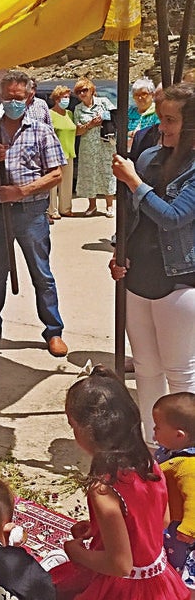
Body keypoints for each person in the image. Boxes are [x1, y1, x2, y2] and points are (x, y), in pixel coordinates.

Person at [50, 366, 190, 600]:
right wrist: (96, 528)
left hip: (125, 595)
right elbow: (160, 518)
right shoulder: (148, 462)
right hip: (158, 579)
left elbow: (120, 565)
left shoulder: (104, 490)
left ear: (90, 432)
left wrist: (76, 551)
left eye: (73, 426)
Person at [110, 83, 195, 442]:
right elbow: (133, 217)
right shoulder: (148, 159)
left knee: (180, 372)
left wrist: (134, 183)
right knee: (145, 368)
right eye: (161, 119)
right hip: (138, 275)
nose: (162, 128)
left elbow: (175, 216)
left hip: (178, 280)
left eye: (171, 120)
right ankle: (150, 441)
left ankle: (185, 445)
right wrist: (119, 251)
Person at [0, 70, 68, 358]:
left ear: (29, 97)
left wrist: (21, 191)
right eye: (8, 97)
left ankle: (53, 330)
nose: (13, 102)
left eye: (18, 97)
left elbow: (56, 175)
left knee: (41, 273)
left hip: (31, 212)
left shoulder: (40, 130)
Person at [153, 392, 195, 587]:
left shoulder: (188, 466)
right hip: (166, 515)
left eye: (158, 427)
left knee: (177, 559)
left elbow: (193, 499)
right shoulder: (169, 450)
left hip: (179, 528)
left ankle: (179, 589)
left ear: (179, 435)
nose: (154, 431)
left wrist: (189, 529)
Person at [73, 78, 116, 217]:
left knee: (107, 173)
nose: (82, 94)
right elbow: (77, 131)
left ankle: (109, 205)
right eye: (78, 92)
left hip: (105, 145)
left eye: (84, 90)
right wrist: (90, 124)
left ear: (92, 90)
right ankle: (92, 206)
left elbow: (115, 116)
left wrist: (102, 118)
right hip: (88, 147)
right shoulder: (78, 109)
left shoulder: (103, 102)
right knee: (89, 175)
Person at [48, 85, 76, 220]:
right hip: (55, 153)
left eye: (68, 97)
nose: (67, 100)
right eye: (64, 97)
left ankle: (65, 208)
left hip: (69, 152)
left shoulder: (70, 114)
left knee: (67, 182)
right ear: (57, 99)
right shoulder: (50, 114)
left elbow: (76, 131)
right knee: (53, 183)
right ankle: (52, 210)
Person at [128, 78, 159, 150]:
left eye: (144, 94)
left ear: (152, 95)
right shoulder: (129, 112)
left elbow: (157, 133)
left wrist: (138, 134)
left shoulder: (158, 112)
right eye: (136, 95)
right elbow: (119, 131)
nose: (139, 98)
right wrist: (131, 133)